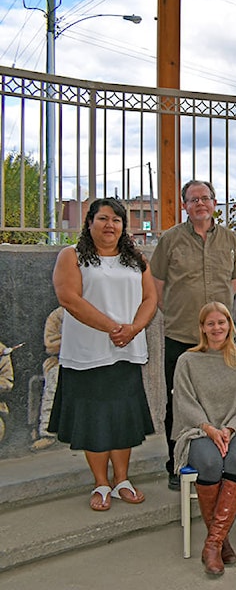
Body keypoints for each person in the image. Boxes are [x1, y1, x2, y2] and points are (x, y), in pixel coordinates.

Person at [49, 198, 157, 511]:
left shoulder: (135, 258)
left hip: (126, 351)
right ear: (90, 222)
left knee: (122, 420)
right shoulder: (71, 256)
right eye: (103, 219)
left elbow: (150, 297)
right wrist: (113, 328)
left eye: (117, 220)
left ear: (124, 226)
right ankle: (101, 482)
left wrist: (134, 328)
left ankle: (122, 479)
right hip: (87, 354)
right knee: (94, 421)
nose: (110, 225)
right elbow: (68, 298)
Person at [152, 180, 236, 490]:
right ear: (185, 206)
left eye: (205, 198)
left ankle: (221, 459)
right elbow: (156, 284)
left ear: (215, 202)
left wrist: (217, 318)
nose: (200, 204)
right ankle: (177, 462)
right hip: (181, 335)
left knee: (221, 399)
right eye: (193, 200)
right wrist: (175, 312)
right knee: (178, 402)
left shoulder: (231, 240)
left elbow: (234, 282)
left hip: (220, 338)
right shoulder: (170, 240)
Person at [172, 302, 236, 576]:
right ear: (202, 328)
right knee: (210, 464)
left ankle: (212, 544)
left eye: (221, 322)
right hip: (199, 431)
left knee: (235, 461)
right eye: (210, 323)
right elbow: (185, 403)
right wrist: (210, 429)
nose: (216, 328)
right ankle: (221, 542)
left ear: (230, 325)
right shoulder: (187, 361)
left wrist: (230, 429)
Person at [31, 306, 64, 451]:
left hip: (91, 361)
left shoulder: (96, 311)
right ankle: (47, 433)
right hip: (61, 360)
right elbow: (50, 345)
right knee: (53, 379)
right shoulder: (57, 315)